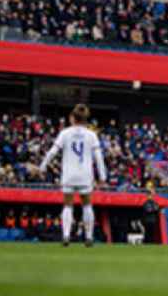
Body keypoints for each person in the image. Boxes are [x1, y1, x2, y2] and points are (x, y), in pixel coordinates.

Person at [37, 104, 107, 247]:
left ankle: (66, 236)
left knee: (68, 204)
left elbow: (52, 152)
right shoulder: (91, 135)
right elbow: (99, 157)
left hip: (69, 174)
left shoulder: (65, 133)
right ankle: (88, 237)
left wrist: (42, 167)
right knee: (87, 204)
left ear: (73, 118)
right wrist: (102, 177)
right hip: (85, 175)